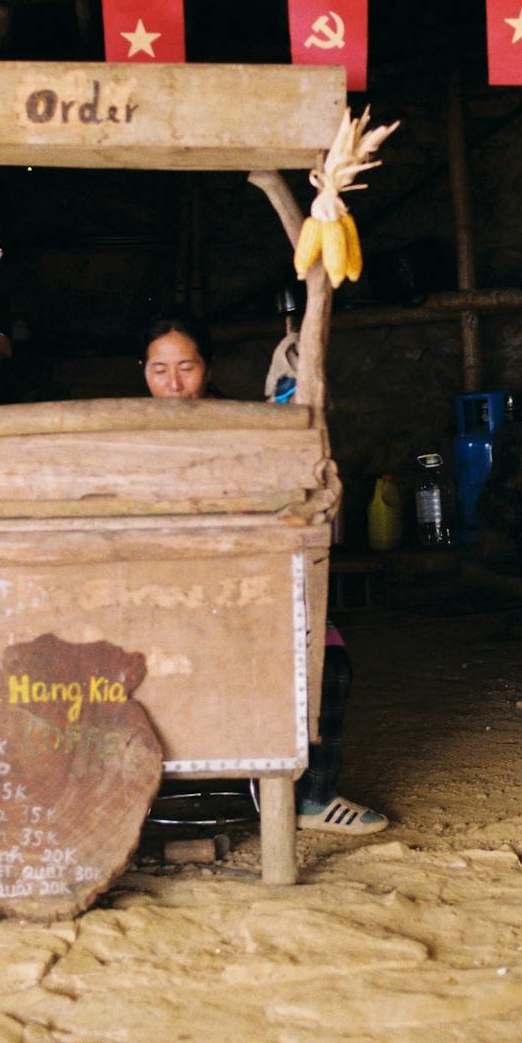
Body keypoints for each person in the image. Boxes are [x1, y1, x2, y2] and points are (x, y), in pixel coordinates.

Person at [140, 313, 388, 834]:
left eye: (186, 367)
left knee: (331, 660)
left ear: (207, 368)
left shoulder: (246, 424)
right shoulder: (127, 432)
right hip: (156, 596)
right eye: (160, 370)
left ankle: (313, 798)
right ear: (143, 370)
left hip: (242, 588)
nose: (174, 384)